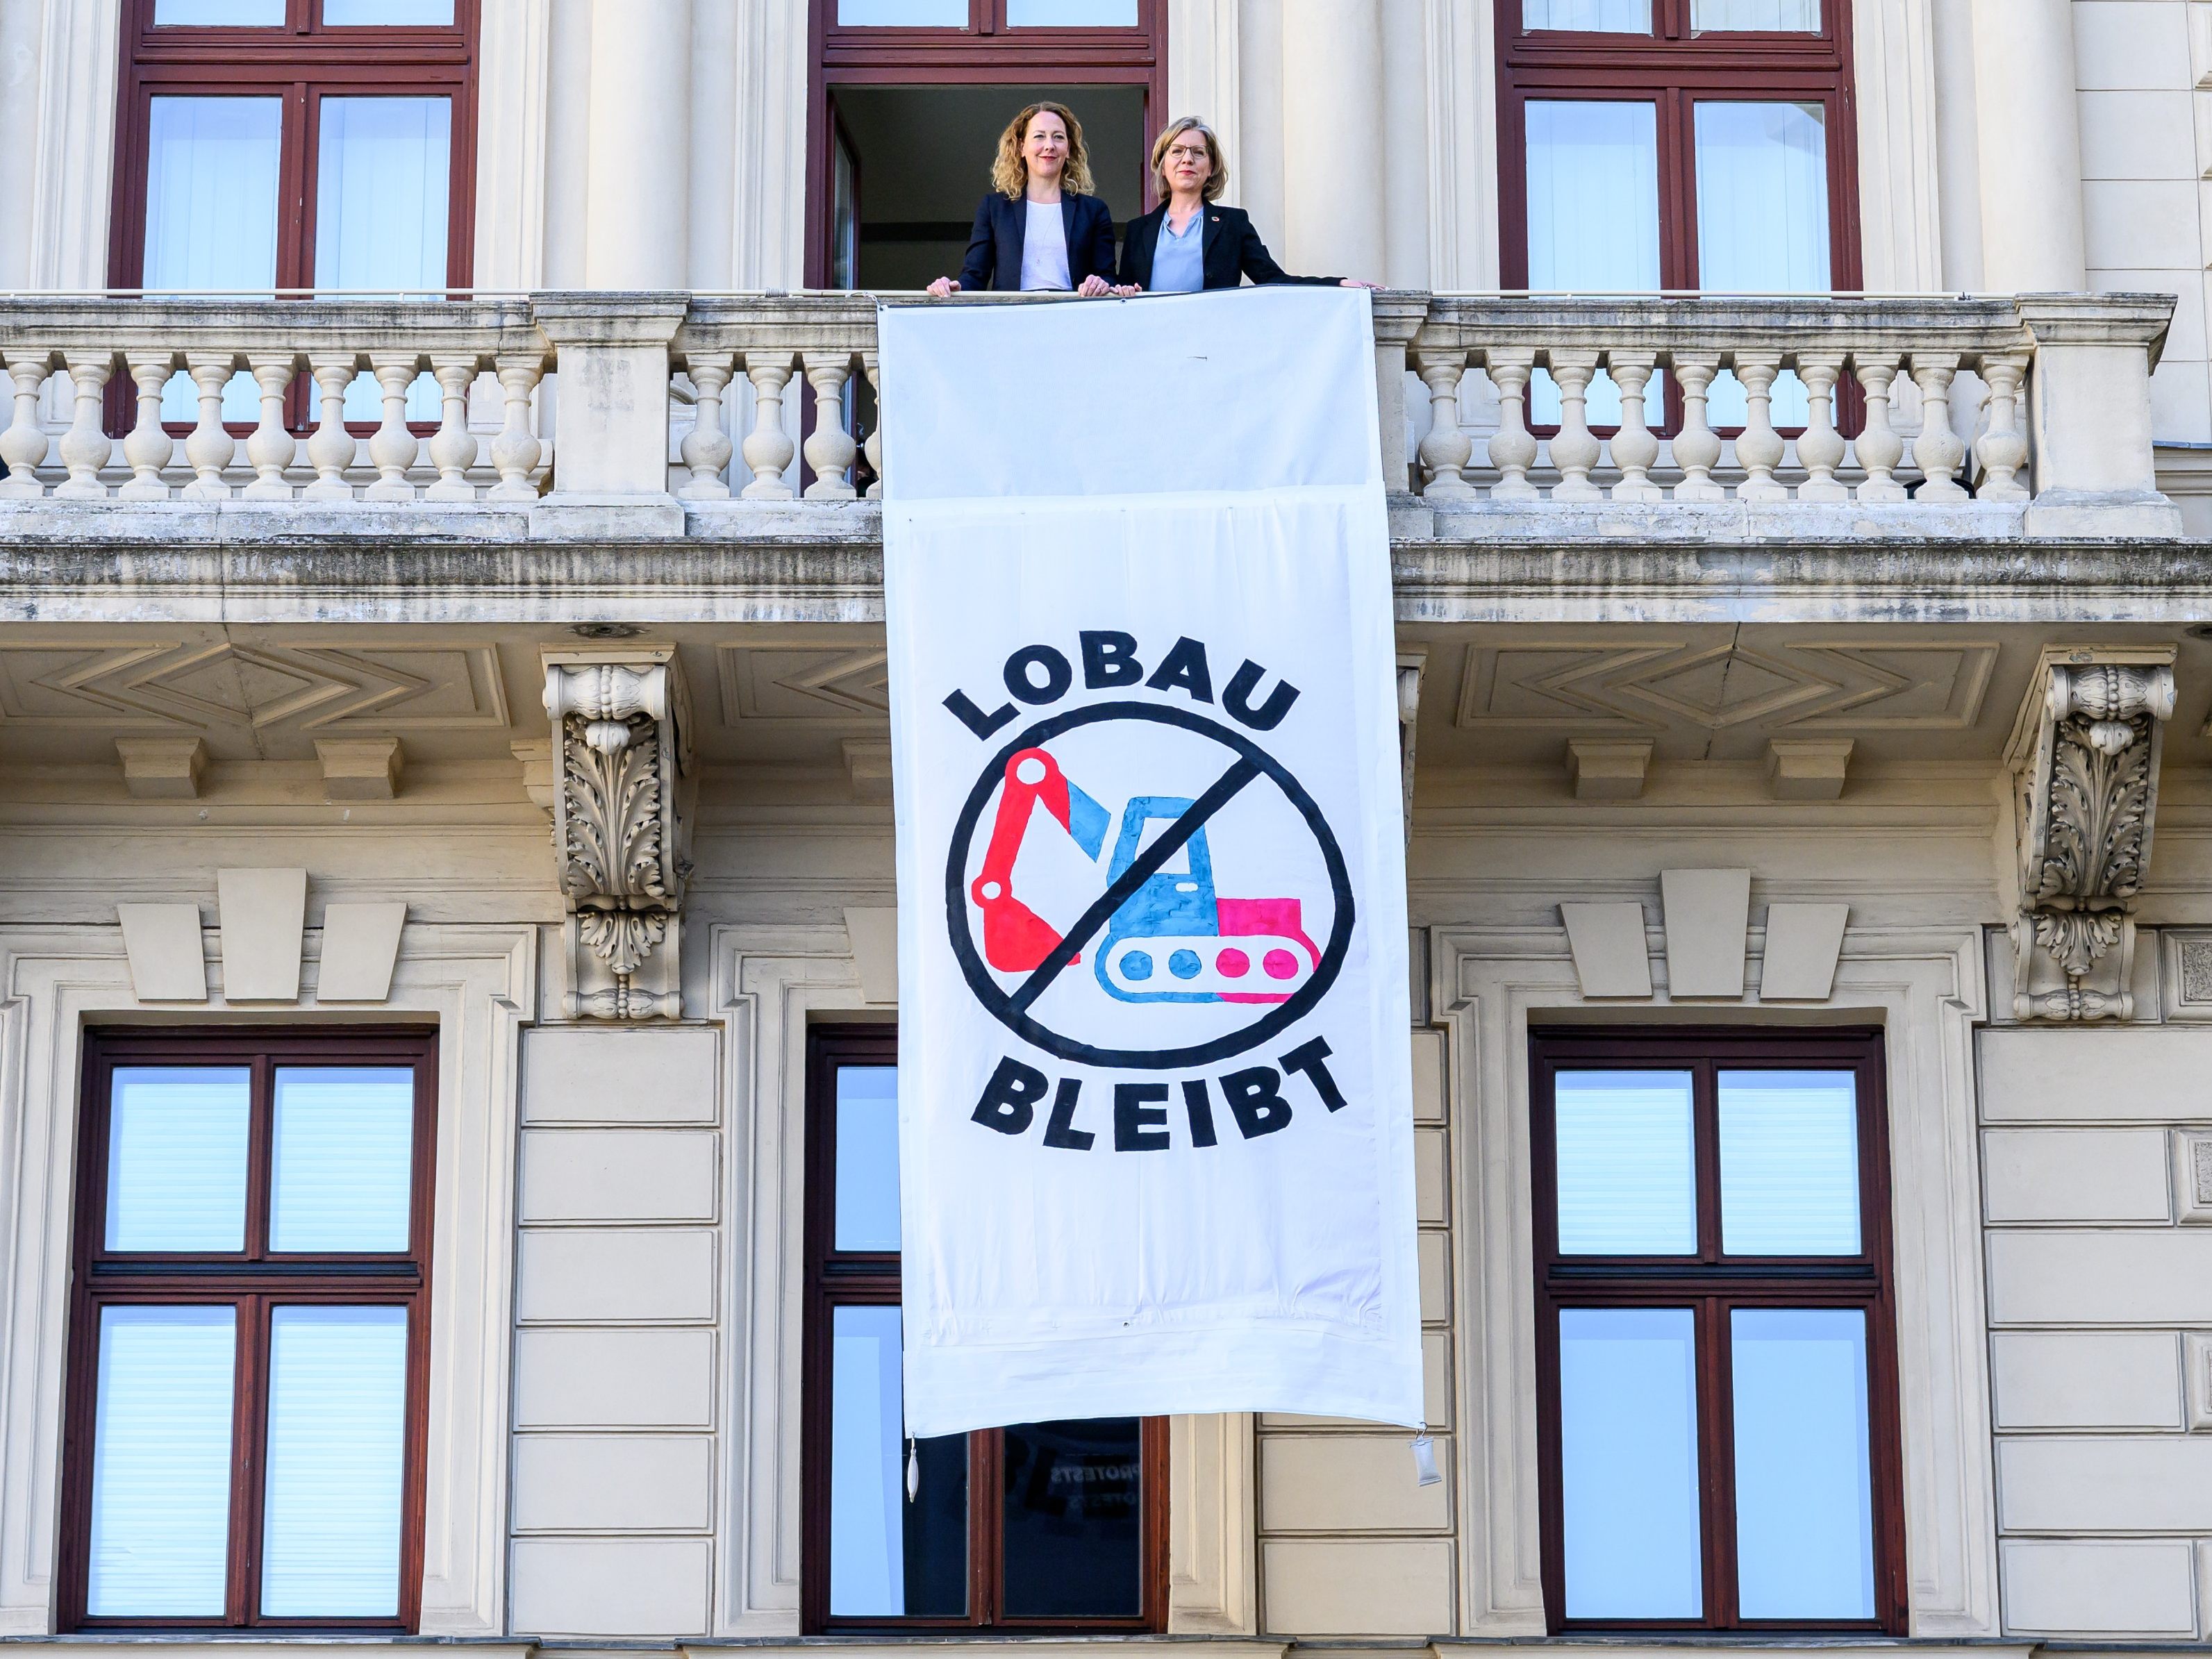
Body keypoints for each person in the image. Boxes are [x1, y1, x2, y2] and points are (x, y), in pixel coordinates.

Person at [1116, 116, 1376, 294]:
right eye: (1177, 151)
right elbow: (1124, 292)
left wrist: (1337, 284)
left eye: (1198, 152)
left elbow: (1274, 280)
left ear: (1211, 168)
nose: (1187, 160)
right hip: (1154, 346)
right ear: (1163, 167)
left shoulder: (1233, 224)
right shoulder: (1140, 230)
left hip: (1211, 346)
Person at [926, 101, 1118, 297]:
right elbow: (975, 276)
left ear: (1068, 149)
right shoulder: (995, 208)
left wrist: (1101, 283)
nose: (1049, 146)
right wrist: (952, 287)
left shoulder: (1094, 211)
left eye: (1058, 137)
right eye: (1039, 137)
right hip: (1012, 318)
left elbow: (1109, 277)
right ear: (1021, 148)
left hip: (1074, 318)